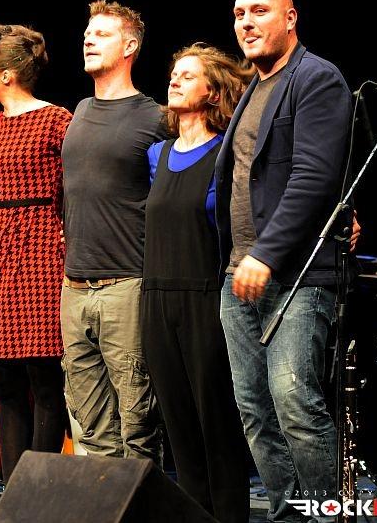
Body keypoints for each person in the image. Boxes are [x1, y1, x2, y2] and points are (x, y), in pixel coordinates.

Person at [215, 0, 353, 522]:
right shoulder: (254, 87)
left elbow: (314, 177)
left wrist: (266, 254)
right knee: (256, 413)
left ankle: (327, 516)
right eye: (239, 13)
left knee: (296, 405)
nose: (246, 23)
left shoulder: (316, 78)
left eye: (259, 11)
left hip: (295, 276)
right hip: (239, 276)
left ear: (290, 18)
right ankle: (287, 514)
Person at [142, 44, 252, 523]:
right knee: (179, 429)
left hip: (205, 298)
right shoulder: (157, 154)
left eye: (188, 75)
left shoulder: (225, 153)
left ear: (212, 92)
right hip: (155, 300)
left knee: (217, 427)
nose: (175, 80)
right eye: (174, 73)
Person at [60, 0, 167, 462]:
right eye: (87, 33)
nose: (89, 39)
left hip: (126, 285)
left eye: (102, 34)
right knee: (90, 428)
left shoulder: (155, 116)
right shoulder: (81, 109)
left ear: (129, 46)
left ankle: (144, 500)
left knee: (137, 425)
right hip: (74, 287)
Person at [0, 24, 71, 483]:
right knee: (5, 378)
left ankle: (41, 490)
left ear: (7, 74)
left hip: (43, 245)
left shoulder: (56, 120)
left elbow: (75, 187)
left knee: (44, 376)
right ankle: (13, 493)